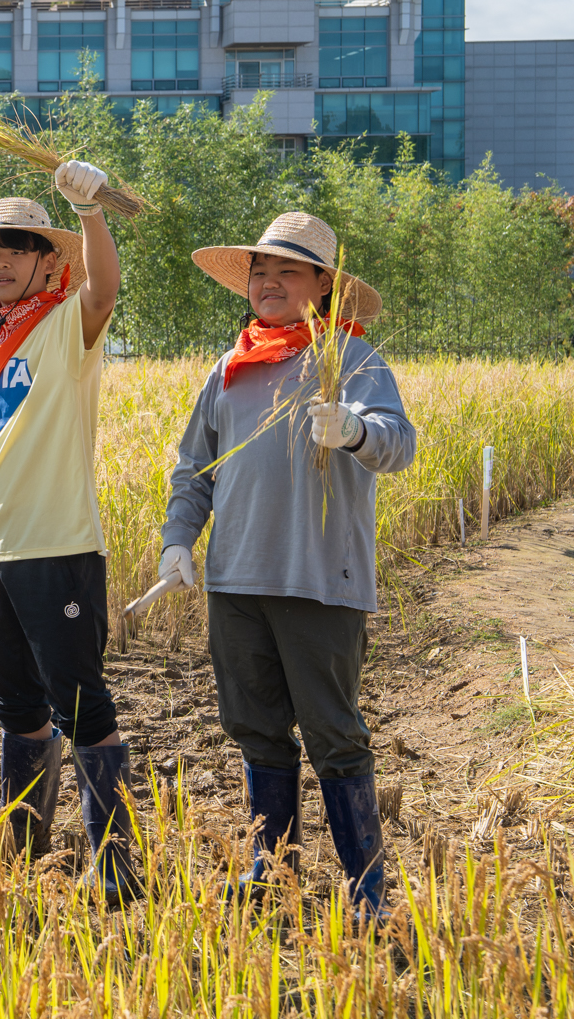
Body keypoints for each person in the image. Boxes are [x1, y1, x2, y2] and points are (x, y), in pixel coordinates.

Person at [153, 212, 414, 922]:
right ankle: (273, 875)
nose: (268, 283)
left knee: (333, 733)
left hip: (319, 581)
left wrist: (356, 430)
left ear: (322, 284)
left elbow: (399, 442)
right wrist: (179, 539)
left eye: (287, 271)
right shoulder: (230, 368)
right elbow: (195, 468)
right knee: (255, 727)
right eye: (259, 271)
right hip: (235, 582)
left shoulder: (351, 358)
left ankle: (366, 892)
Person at [0, 168, 142, 906]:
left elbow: (105, 290)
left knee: (82, 708)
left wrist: (89, 212)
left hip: (57, 548)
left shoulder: (65, 326)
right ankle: (26, 851)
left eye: (15, 249)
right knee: (16, 707)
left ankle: (116, 864)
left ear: (48, 261)